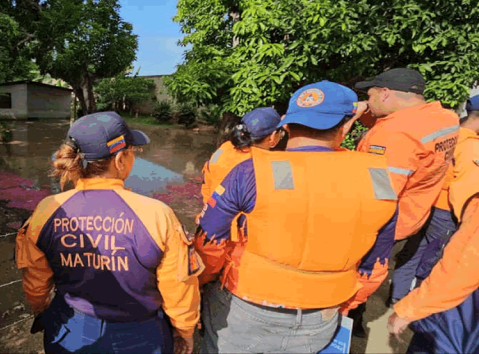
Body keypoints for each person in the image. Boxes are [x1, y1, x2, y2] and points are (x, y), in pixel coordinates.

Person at [194, 81, 398, 353]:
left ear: (286, 127)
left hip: (245, 305)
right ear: (347, 126)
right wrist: (346, 303)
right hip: (323, 314)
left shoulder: (253, 170)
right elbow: (376, 265)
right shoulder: (379, 179)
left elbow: (209, 242)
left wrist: (203, 282)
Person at [15, 111, 202, 354]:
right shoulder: (157, 214)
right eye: (133, 151)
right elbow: (178, 287)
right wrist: (184, 331)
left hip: (70, 328)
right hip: (139, 334)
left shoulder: (47, 210)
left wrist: (42, 310)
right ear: (120, 159)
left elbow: (36, 282)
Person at [354, 68, 459, 306]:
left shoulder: (394, 134)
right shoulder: (444, 118)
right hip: (414, 214)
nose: (367, 103)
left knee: (360, 277)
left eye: (369, 97)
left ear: (386, 93)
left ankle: (353, 318)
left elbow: (379, 193)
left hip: (382, 225)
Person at [387, 95, 479, 354]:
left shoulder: (446, 135)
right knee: (432, 260)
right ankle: (410, 302)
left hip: (426, 204)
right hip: (446, 212)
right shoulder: (472, 147)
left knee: (413, 254)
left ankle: (399, 296)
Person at [200, 107, 285, 205]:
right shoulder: (266, 165)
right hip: (241, 218)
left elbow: (206, 182)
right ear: (273, 137)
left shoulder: (225, 148)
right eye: (281, 133)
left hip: (211, 212)